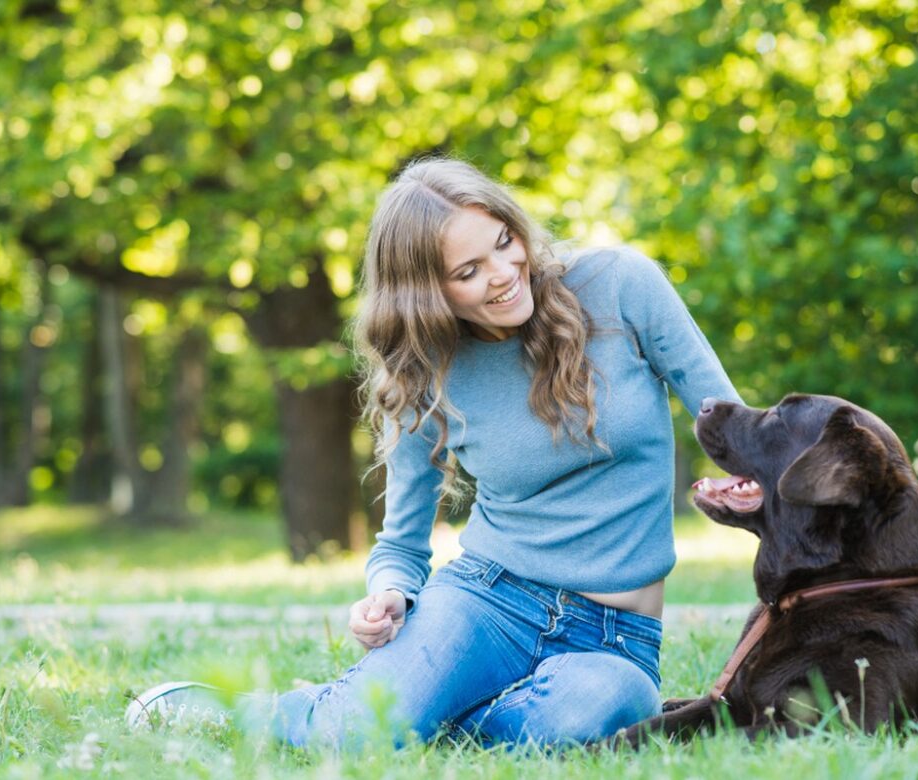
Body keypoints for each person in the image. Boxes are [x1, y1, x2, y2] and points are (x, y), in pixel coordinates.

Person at [126, 157, 741, 749]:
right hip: (488, 602)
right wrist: (391, 594)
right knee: (356, 736)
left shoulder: (619, 286)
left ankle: (425, 712)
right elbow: (400, 544)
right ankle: (270, 710)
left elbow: (735, 429)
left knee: (599, 713)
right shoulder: (427, 370)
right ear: (426, 293)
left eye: (504, 241)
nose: (503, 272)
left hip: (617, 637)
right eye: (468, 271)